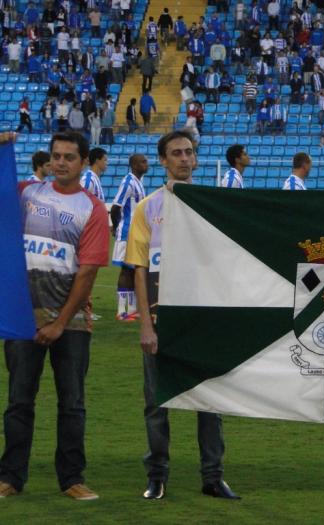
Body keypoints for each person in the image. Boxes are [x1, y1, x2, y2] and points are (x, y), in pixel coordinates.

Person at [124, 130, 240, 501]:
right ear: (163, 160)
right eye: (176, 153)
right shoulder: (147, 208)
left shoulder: (213, 204)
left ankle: (213, 476)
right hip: (160, 323)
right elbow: (139, 269)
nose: (184, 158)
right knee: (157, 402)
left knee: (210, 402)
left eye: (189, 152)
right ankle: (157, 475)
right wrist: (145, 323)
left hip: (203, 323)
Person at [0, 131, 109, 500]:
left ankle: (72, 478)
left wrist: (60, 322)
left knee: (72, 402)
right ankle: (10, 478)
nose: (60, 162)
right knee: (18, 401)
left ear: (82, 163)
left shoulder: (92, 208)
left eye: (69, 157)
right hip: (22, 318)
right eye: (56, 156)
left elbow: (88, 271)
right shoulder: (25, 193)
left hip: (72, 322)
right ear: (48, 159)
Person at [111, 154, 148, 321]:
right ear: (134, 165)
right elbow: (115, 207)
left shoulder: (138, 182)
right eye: (143, 161)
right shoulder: (128, 182)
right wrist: (118, 227)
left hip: (135, 234)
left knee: (133, 271)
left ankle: (132, 309)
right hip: (127, 233)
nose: (146, 164)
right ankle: (121, 311)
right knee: (126, 271)